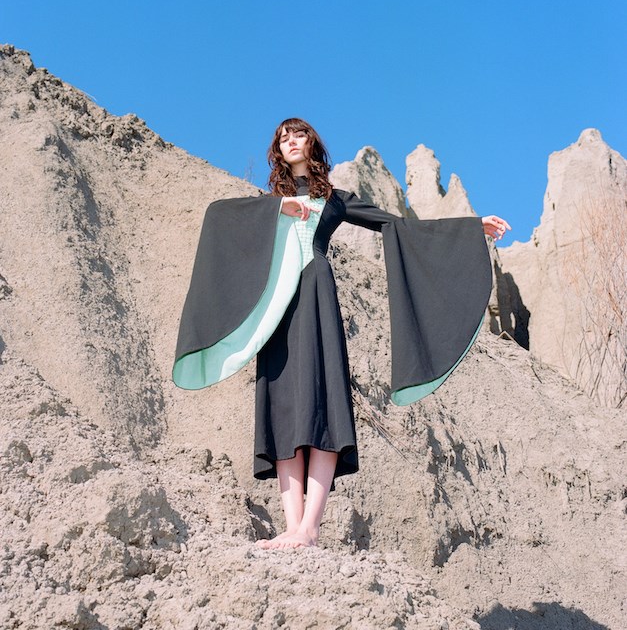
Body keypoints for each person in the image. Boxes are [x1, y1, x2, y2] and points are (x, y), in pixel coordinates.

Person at [172, 118, 510, 551]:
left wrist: (469, 227)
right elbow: (219, 215)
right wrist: (278, 209)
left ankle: (310, 527)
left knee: (323, 402)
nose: (290, 141)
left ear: (312, 144)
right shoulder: (268, 201)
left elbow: (397, 227)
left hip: (315, 294)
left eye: (299, 135)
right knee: (282, 407)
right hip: (276, 307)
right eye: (283, 137)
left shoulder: (334, 198)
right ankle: (291, 526)